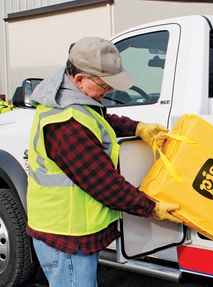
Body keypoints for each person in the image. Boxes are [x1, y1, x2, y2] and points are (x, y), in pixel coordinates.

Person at [26, 37, 182, 287]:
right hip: (67, 239)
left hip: (71, 233)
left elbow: (100, 120)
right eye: (105, 85)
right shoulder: (67, 125)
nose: (109, 92)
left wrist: (137, 127)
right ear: (79, 80)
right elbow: (105, 185)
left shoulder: (71, 99)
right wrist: (151, 208)